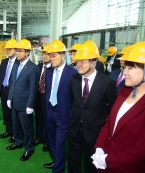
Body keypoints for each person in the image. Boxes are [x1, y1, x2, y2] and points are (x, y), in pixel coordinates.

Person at [93, 42, 145, 173]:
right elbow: (109, 122)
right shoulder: (124, 91)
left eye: (130, 68)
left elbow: (141, 150)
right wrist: (99, 146)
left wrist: (108, 160)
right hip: (105, 163)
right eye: (125, 67)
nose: (125, 72)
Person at [67, 40, 117, 173]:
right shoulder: (74, 80)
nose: (78, 65)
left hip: (94, 133)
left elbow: (112, 110)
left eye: (82, 62)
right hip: (75, 130)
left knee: (91, 167)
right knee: (73, 163)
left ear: (93, 63)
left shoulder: (107, 83)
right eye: (77, 61)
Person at [43, 40, 77, 172]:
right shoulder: (49, 71)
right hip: (50, 110)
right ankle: (58, 161)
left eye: (54, 56)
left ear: (63, 56)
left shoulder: (72, 74)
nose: (51, 58)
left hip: (63, 113)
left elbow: (75, 97)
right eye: (50, 55)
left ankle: (58, 169)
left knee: (60, 142)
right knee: (52, 140)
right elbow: (48, 91)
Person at [6, 39, 39, 161]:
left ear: (27, 52)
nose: (17, 53)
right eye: (17, 50)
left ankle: (29, 148)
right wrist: (10, 98)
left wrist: (30, 105)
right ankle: (18, 142)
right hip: (14, 102)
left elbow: (33, 89)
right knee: (16, 126)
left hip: (25, 104)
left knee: (27, 128)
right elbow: (12, 83)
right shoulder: (16, 64)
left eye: (20, 51)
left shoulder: (33, 68)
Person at [0, 39, 18, 143]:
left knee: (13, 113)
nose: (8, 51)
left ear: (15, 49)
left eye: (10, 49)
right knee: (5, 112)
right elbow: (1, 76)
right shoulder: (4, 61)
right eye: (7, 49)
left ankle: (15, 133)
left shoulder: (18, 63)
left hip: (13, 91)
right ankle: (8, 130)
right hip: (4, 90)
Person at [34, 44, 51, 152]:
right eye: (44, 53)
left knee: (47, 119)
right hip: (38, 95)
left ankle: (47, 141)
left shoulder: (53, 68)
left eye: (48, 54)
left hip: (48, 97)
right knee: (38, 117)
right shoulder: (39, 66)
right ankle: (39, 137)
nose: (45, 56)